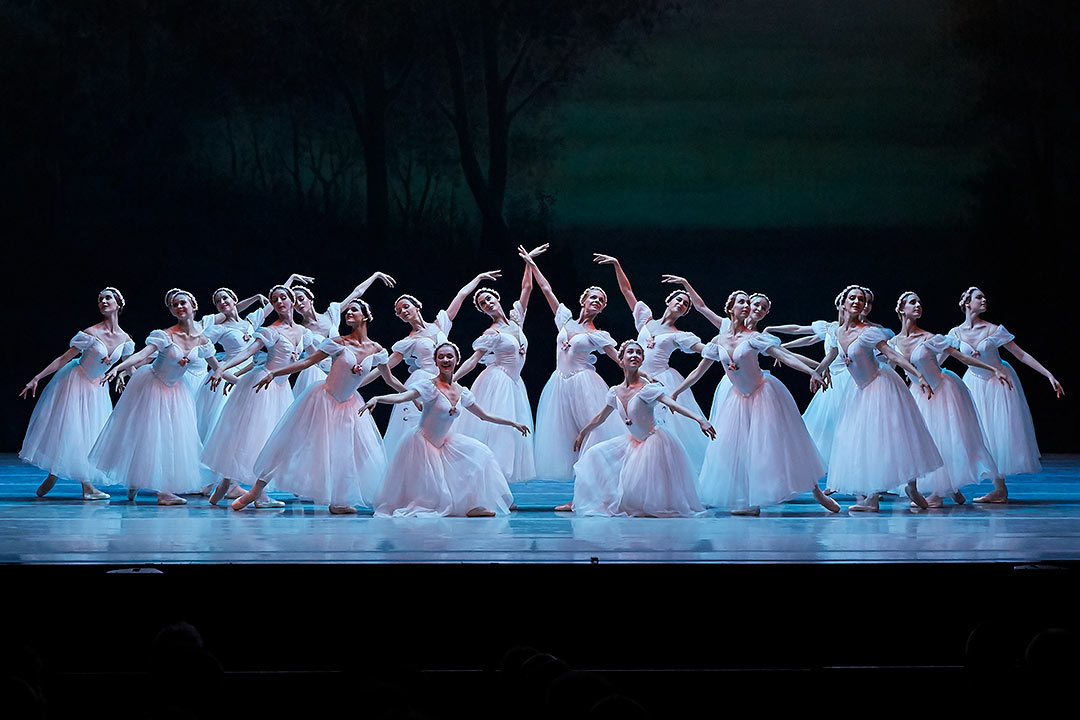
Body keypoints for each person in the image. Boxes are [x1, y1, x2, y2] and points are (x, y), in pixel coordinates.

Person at [228, 299, 406, 513]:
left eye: (354, 310)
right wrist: (275, 372)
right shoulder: (338, 342)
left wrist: (412, 396)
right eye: (347, 310)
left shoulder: (377, 350)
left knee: (350, 453)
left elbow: (390, 380)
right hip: (322, 399)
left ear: (365, 316)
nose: (348, 312)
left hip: (349, 405)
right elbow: (306, 362)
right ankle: (255, 491)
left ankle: (338, 501)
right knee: (289, 443)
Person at [673, 291, 839, 514]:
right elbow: (698, 371)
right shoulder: (718, 341)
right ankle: (750, 501)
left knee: (783, 446)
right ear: (731, 307)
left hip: (764, 395)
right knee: (737, 450)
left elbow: (784, 356)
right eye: (742, 302)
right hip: (737, 400)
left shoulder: (754, 338)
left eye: (748, 303)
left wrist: (812, 371)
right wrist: (676, 392)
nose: (747, 306)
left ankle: (817, 492)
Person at [364, 342, 529, 517]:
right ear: (435, 362)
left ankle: (472, 505)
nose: (445, 359)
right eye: (440, 356)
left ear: (457, 360)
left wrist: (513, 423)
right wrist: (378, 398)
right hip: (423, 443)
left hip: (444, 442)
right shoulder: (429, 386)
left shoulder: (462, 392)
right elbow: (403, 396)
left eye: (449, 356)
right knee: (433, 493)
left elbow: (484, 415)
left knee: (481, 455)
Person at [815, 285, 942, 512]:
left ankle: (911, 486)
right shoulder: (836, 332)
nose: (856, 302)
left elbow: (893, 354)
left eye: (861, 299)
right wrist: (820, 369)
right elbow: (833, 353)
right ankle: (871, 499)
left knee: (890, 438)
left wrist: (918, 374)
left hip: (881, 385)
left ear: (864, 306)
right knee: (862, 442)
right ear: (843, 303)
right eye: (852, 298)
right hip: (859, 390)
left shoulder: (869, 332)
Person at [91, 289, 224, 505]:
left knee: (172, 439)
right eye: (174, 305)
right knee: (149, 436)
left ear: (193, 306)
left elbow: (218, 367)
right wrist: (119, 368)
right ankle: (150, 485)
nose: (179, 307)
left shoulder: (203, 341)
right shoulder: (165, 335)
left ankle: (160, 488)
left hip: (177, 391)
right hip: (152, 386)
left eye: (183, 303)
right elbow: (143, 355)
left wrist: (241, 382)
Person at [564, 340, 713, 517]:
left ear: (642, 360)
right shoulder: (615, 392)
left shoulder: (647, 389)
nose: (634, 355)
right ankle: (589, 499)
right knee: (594, 454)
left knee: (647, 492)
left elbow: (672, 404)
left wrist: (699, 419)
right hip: (633, 442)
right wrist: (582, 433)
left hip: (653, 441)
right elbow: (600, 417)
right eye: (630, 352)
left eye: (638, 353)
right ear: (621, 359)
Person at [891, 291, 1012, 506]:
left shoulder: (930, 338)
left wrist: (992, 368)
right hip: (919, 394)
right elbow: (889, 368)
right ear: (901, 309)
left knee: (944, 440)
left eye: (919, 302)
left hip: (943, 392)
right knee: (920, 442)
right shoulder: (893, 343)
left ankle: (940, 491)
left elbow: (961, 356)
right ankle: (950, 489)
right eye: (912, 302)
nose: (918, 305)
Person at [592, 256, 709, 473]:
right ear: (668, 301)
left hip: (660, 381)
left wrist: (726, 351)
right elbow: (627, 291)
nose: (682, 304)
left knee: (662, 433)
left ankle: (667, 476)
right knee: (632, 429)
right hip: (637, 379)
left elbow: (706, 351)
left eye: (685, 304)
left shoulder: (680, 335)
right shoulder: (646, 320)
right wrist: (617, 264)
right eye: (679, 300)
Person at [948, 286, 1064, 502]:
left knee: (995, 434)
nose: (984, 300)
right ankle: (954, 485)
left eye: (984, 297)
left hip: (998, 384)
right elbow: (939, 359)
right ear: (966, 303)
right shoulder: (954, 334)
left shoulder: (993, 330)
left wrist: (1048, 374)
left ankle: (999, 489)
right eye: (979, 297)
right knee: (967, 435)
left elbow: (1020, 354)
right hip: (973, 383)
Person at [518, 248, 624, 481]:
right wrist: (531, 263)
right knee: (566, 438)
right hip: (559, 383)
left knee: (592, 432)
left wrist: (643, 376)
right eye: (593, 297)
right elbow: (546, 290)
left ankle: (600, 482)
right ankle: (579, 489)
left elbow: (619, 359)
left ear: (603, 308)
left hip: (585, 383)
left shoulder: (598, 334)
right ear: (583, 301)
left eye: (601, 300)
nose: (597, 301)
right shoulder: (565, 320)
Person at [202, 285, 313, 507]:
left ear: (292, 301)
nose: (280, 301)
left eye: (283, 297)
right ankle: (257, 496)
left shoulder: (305, 333)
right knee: (256, 438)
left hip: (281, 389)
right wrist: (222, 369)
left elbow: (316, 357)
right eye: (275, 299)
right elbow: (247, 352)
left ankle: (226, 483)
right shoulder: (271, 330)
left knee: (261, 438)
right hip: (262, 386)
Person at [19, 287, 133, 500]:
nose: (103, 301)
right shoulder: (90, 334)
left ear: (119, 303)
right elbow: (62, 359)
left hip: (98, 389)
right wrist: (37, 377)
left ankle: (55, 472)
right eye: (100, 299)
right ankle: (82, 485)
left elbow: (128, 367)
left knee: (92, 434)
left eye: (108, 298)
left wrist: (126, 376)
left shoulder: (126, 340)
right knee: (74, 431)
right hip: (75, 382)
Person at [381, 270, 503, 458]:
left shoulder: (440, 325)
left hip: (444, 382)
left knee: (444, 430)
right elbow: (385, 367)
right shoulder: (408, 341)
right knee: (419, 432)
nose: (403, 312)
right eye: (399, 312)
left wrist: (478, 278)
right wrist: (360, 379)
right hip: (424, 381)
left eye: (406, 307)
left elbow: (460, 296)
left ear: (416, 306)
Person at [453, 246, 547, 482]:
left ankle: (500, 488)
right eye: (483, 304)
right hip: (497, 382)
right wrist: (450, 380)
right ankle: (491, 485)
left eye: (489, 299)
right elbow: (473, 361)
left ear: (497, 298)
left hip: (515, 384)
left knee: (512, 438)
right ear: (483, 310)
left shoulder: (516, 320)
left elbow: (527, 288)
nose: (488, 303)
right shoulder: (491, 332)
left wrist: (528, 261)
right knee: (498, 435)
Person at [290, 272, 396, 398]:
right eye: (295, 303)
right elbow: (306, 355)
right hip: (315, 372)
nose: (299, 304)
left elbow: (357, 293)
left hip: (339, 368)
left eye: (301, 299)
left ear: (310, 299)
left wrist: (375, 276)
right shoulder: (301, 330)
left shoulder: (331, 314)